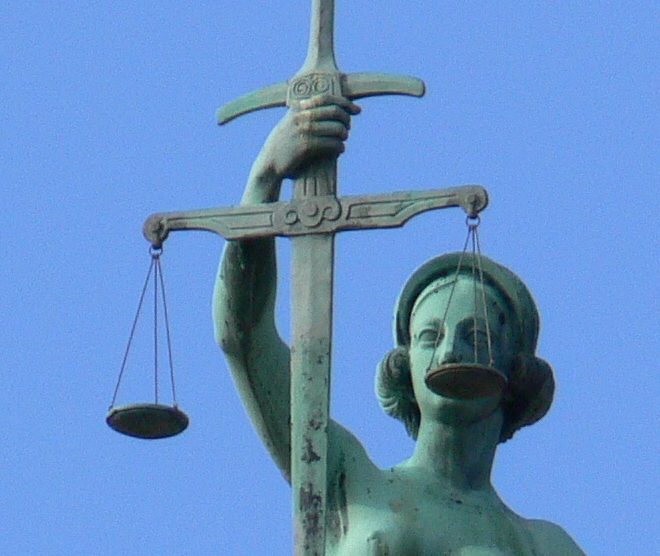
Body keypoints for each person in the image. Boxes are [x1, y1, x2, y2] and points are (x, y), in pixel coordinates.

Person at [213, 95, 585, 555]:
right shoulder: (345, 478)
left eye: (478, 337)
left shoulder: (543, 545)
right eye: (431, 336)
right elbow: (243, 336)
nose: (451, 352)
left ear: (515, 372)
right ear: (406, 365)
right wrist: (264, 180)